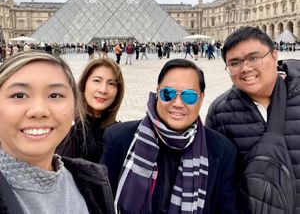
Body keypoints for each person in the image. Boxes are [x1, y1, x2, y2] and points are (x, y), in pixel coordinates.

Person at [101, 59, 238, 214]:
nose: (178, 103)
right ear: (158, 93)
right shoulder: (118, 139)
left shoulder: (223, 151)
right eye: (168, 93)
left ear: (201, 98)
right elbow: (100, 204)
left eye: (189, 96)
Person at [0, 51, 114, 214]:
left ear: (75, 106)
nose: (39, 111)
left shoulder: (95, 182)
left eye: (55, 95)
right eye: (19, 95)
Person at [205, 26, 300, 213]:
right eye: (234, 63)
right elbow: (220, 184)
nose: (246, 68)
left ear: (274, 56)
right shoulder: (220, 112)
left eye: (254, 58)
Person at [57, 57, 125, 163]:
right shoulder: (67, 128)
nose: (103, 90)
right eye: (97, 81)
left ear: (118, 91)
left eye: (111, 83)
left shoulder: (119, 133)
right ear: (84, 84)